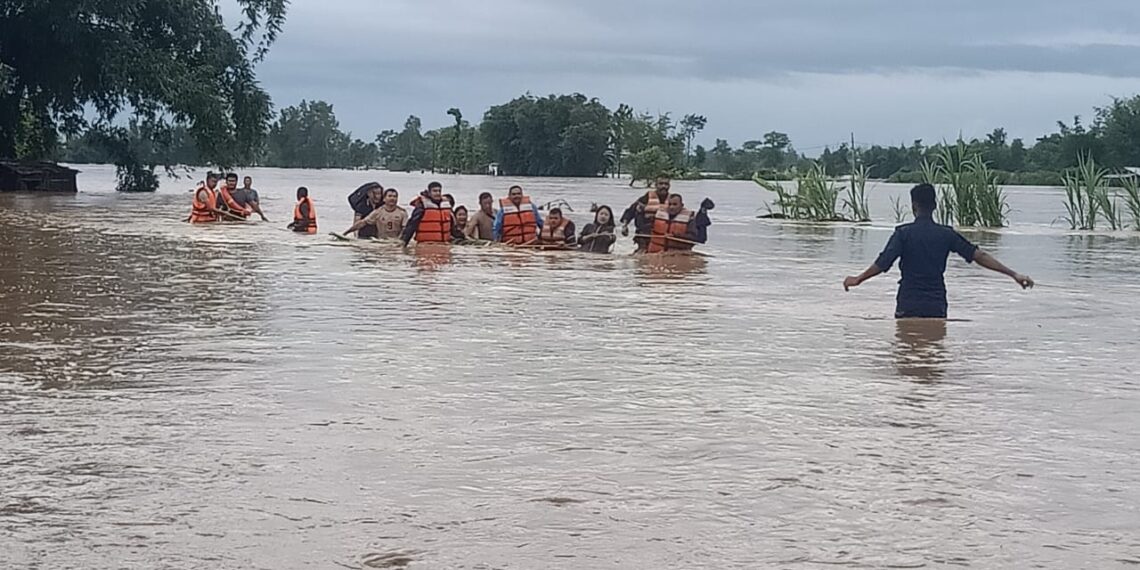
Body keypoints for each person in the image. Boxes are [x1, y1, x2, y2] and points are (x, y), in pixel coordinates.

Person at [843, 183, 1034, 318]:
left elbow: (883, 263)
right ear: (934, 206)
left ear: (913, 206)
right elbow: (979, 256)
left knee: (907, 360)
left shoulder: (903, 234)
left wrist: (858, 279)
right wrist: (1013, 274)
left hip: (908, 303)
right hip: (936, 304)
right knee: (933, 359)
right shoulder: (946, 234)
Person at [645, 194, 713, 254]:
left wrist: (676, 235)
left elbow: (699, 239)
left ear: (681, 205)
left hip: (680, 253)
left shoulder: (690, 218)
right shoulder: (658, 214)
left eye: (675, 204)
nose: (671, 207)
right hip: (655, 252)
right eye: (669, 204)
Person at [621, 175, 673, 252]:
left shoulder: (673, 200)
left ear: (669, 186)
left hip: (664, 236)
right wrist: (625, 225)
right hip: (645, 234)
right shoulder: (646, 198)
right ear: (656, 185)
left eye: (666, 184)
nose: (663, 186)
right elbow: (630, 211)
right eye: (661, 184)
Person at [342, 188, 407, 240]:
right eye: (390, 196)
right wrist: (346, 233)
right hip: (381, 241)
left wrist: (400, 239)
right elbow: (362, 223)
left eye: (395, 196)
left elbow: (405, 229)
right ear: (384, 199)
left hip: (396, 241)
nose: (392, 198)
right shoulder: (378, 212)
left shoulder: (402, 212)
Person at [400, 182, 453, 246]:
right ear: (429, 192)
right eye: (435, 191)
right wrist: (404, 242)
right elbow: (412, 225)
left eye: (439, 191)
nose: (438, 193)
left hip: (443, 244)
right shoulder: (422, 206)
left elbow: (453, 226)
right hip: (425, 244)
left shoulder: (445, 205)